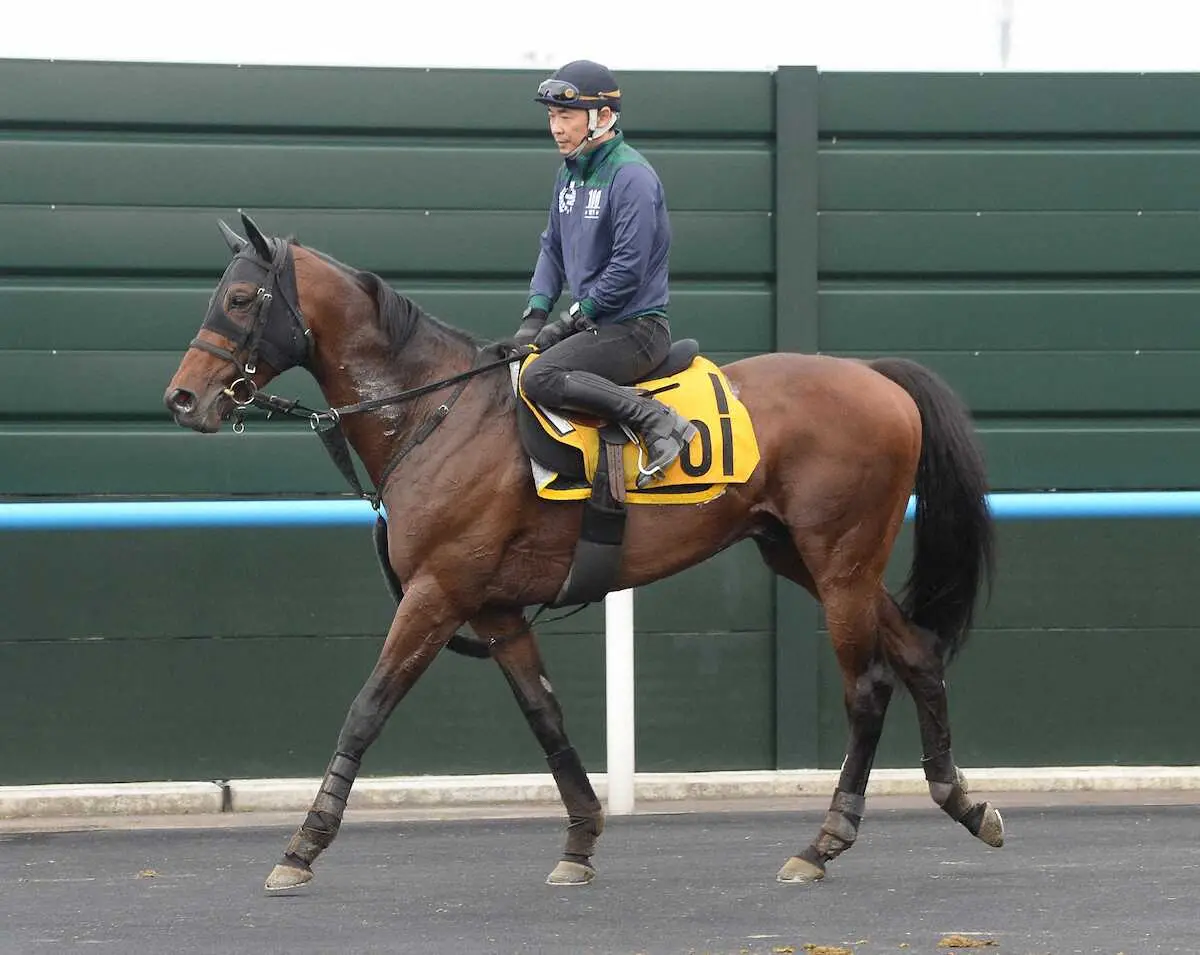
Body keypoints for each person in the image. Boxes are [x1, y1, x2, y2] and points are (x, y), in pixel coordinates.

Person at [513, 59, 697, 489]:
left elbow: (627, 270)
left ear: (604, 118)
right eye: (552, 117)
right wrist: (533, 318)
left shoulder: (631, 177)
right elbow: (552, 248)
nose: (557, 128)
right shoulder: (568, 174)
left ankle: (657, 421)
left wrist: (569, 321)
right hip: (596, 325)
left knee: (541, 376)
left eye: (567, 117)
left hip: (637, 329)